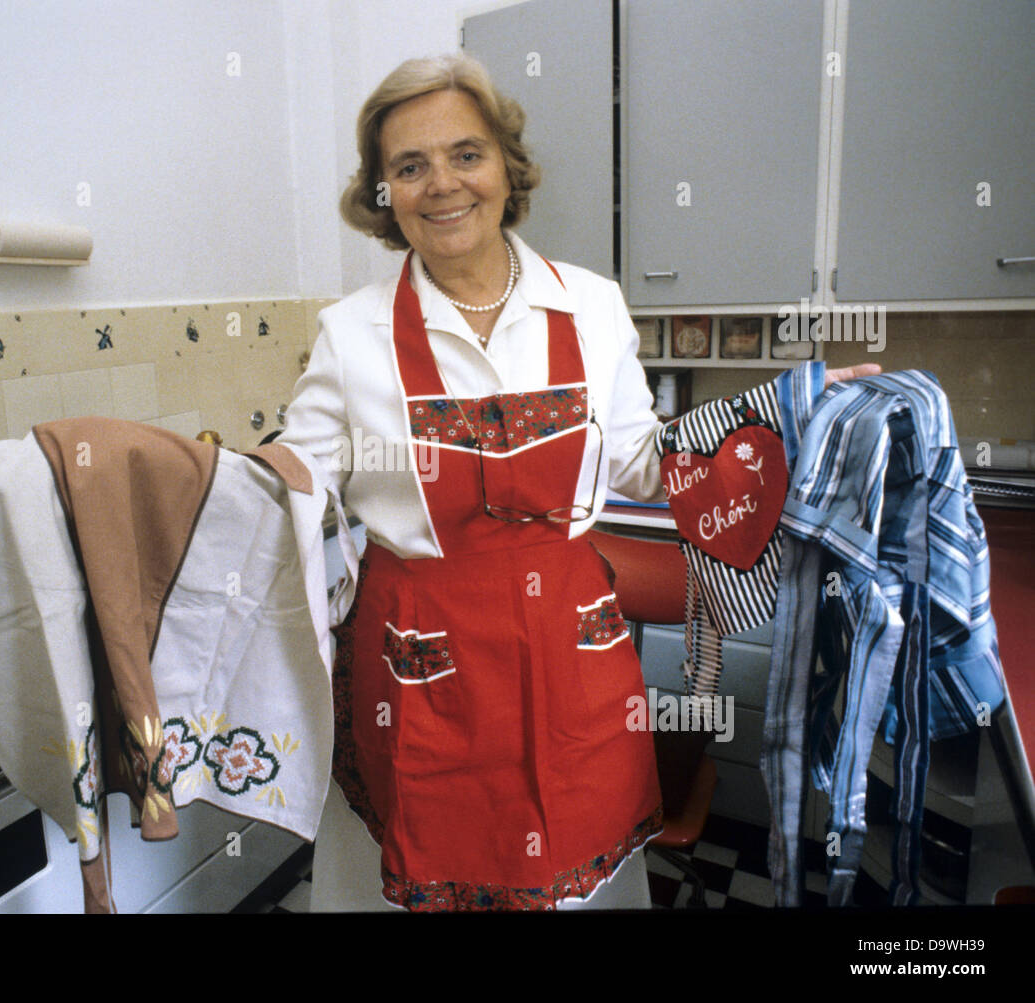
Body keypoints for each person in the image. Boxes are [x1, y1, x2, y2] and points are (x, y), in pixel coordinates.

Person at [278, 53, 878, 912]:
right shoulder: (352, 334)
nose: (441, 183)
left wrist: (792, 418)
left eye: (466, 154)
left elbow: (643, 459)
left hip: (572, 649)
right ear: (382, 193)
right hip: (419, 662)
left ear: (506, 169)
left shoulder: (590, 306)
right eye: (408, 166)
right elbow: (299, 481)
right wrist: (198, 480)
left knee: (575, 876)